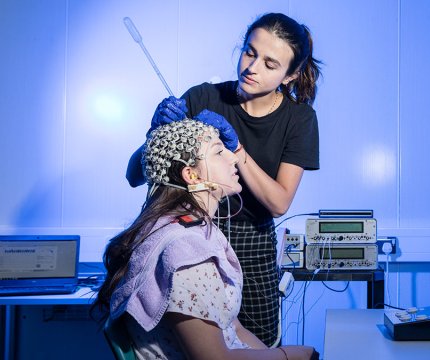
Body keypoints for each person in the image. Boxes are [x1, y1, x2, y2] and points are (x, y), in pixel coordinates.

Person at [125, 12, 321, 346]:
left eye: (270, 64)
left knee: (258, 341)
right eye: (249, 52)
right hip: (190, 234)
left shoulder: (298, 119)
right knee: (192, 346)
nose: (252, 67)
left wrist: (237, 149)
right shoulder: (203, 97)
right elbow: (134, 175)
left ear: (290, 75)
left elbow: (278, 202)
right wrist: (154, 131)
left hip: (251, 242)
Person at [94, 117, 317, 359]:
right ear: (192, 176)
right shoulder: (185, 253)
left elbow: (234, 328)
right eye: (219, 152)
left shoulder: (183, 228)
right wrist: (289, 355)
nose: (233, 157)